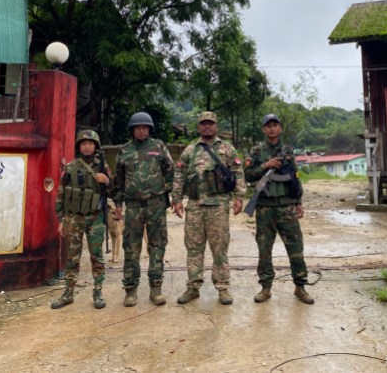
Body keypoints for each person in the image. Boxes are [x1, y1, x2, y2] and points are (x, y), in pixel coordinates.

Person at [172, 111, 246, 305]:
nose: (207, 127)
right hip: (195, 206)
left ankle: (222, 288)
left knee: (219, 248)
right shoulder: (190, 150)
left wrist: (239, 197)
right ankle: (193, 287)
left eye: (210, 123)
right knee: (194, 248)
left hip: (218, 206)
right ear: (199, 127)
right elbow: (179, 174)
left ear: (216, 126)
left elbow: (238, 172)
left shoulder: (227, 149)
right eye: (203, 124)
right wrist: (177, 199)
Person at [244, 114, 314, 304]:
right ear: (263, 129)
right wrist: (265, 165)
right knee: (264, 249)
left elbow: (295, 178)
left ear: (280, 128)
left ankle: (300, 287)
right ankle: (265, 288)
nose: (272, 129)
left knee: (296, 248)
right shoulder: (257, 151)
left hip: (286, 206)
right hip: (265, 208)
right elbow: (247, 175)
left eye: (275, 125)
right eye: (268, 126)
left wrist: (298, 202)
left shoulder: (288, 151)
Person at [113, 111, 174, 307]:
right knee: (131, 247)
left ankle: (156, 288)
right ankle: (130, 290)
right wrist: (118, 204)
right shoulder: (124, 151)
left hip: (156, 205)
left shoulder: (159, 147)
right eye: (138, 127)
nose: (141, 130)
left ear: (149, 129)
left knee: (157, 246)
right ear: (132, 130)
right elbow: (118, 180)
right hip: (133, 206)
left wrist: (167, 192)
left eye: (145, 127)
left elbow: (170, 170)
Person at [52, 129, 114, 310]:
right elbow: (61, 194)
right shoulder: (70, 167)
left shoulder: (103, 167)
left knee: (97, 256)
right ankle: (68, 293)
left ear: (96, 146)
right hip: (74, 218)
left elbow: (115, 191)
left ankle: (98, 291)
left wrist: (107, 181)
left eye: (90, 143)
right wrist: (61, 219)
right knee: (72, 257)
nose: (87, 146)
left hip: (95, 218)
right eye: (84, 143)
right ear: (79, 146)